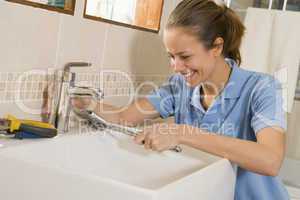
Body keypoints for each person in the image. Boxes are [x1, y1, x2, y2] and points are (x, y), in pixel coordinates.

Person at [72, 0, 289, 199]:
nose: (176, 67)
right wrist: (86, 102)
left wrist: (182, 133)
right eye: (171, 56)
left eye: (184, 57)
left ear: (217, 47)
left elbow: (270, 160)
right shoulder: (179, 87)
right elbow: (123, 117)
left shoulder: (262, 87)